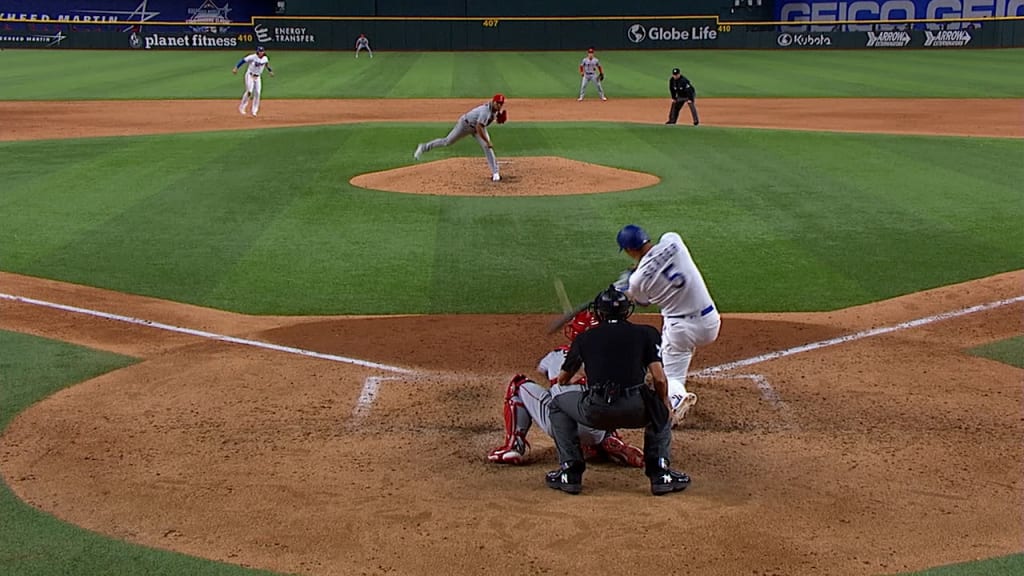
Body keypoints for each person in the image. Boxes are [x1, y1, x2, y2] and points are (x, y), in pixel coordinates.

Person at [545, 286, 690, 495]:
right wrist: (664, 405)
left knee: (557, 404)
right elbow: (659, 379)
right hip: (636, 409)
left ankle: (570, 472)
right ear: (626, 311)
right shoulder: (646, 333)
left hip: (596, 410)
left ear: (599, 313)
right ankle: (660, 474)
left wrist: (586, 371)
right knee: (658, 408)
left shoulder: (585, 338)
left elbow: (563, 380)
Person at [487, 309, 644, 468]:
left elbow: (541, 369)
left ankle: (514, 446)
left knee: (519, 385)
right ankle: (610, 440)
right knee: (610, 394)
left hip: (563, 428)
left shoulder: (557, 355)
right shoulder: (614, 358)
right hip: (599, 428)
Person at [615, 224, 720, 428]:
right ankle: (682, 366)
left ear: (628, 250)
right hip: (710, 322)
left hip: (681, 330)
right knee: (681, 348)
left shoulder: (638, 280)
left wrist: (627, 286)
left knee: (670, 377)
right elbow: (659, 259)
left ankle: (677, 398)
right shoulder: (673, 241)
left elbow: (642, 301)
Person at [413, 93, 507, 182]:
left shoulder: (494, 111)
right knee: (447, 141)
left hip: (477, 128)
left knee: (487, 147)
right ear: (493, 102)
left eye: (501, 104)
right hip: (465, 125)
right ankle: (423, 147)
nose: (499, 105)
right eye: (498, 103)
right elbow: (479, 127)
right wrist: (487, 140)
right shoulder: (485, 111)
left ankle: (495, 173)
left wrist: (496, 120)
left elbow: (485, 122)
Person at [232, 46, 273, 117]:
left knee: (257, 93)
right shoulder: (252, 57)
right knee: (249, 91)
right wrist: (236, 68)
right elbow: (243, 61)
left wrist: (270, 71)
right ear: (257, 51)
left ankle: (254, 111)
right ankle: (242, 107)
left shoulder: (265, 58)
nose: (261, 52)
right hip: (250, 75)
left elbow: (266, 65)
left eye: (262, 51)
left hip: (258, 77)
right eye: (260, 51)